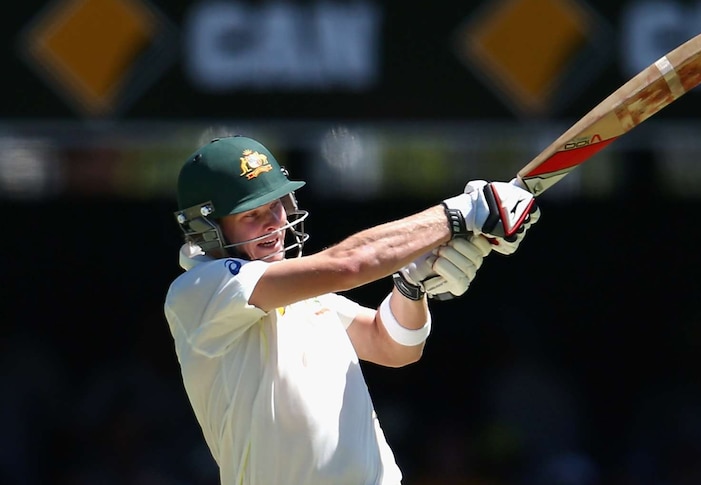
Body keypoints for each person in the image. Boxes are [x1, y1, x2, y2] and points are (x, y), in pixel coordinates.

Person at [163, 134, 540, 485]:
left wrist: (412, 286)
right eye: (252, 215)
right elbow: (350, 265)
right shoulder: (200, 292)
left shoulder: (300, 293)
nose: (275, 224)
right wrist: (461, 214)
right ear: (207, 228)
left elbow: (393, 346)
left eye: (276, 206)